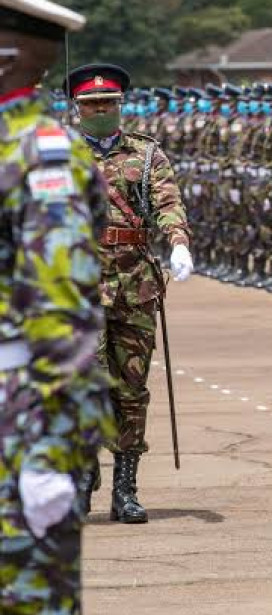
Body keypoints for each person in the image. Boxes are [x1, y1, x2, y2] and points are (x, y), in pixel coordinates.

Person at [0, 0, 115, 609]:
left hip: (19, 413)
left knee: (28, 594)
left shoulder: (42, 152)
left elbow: (61, 302)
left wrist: (47, 450)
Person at [64, 63, 194, 523]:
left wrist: (178, 241)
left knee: (131, 388)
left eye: (108, 103)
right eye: (91, 104)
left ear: (120, 106)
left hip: (134, 284)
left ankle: (126, 487)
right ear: (76, 108)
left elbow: (168, 202)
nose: (100, 110)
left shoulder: (146, 153)